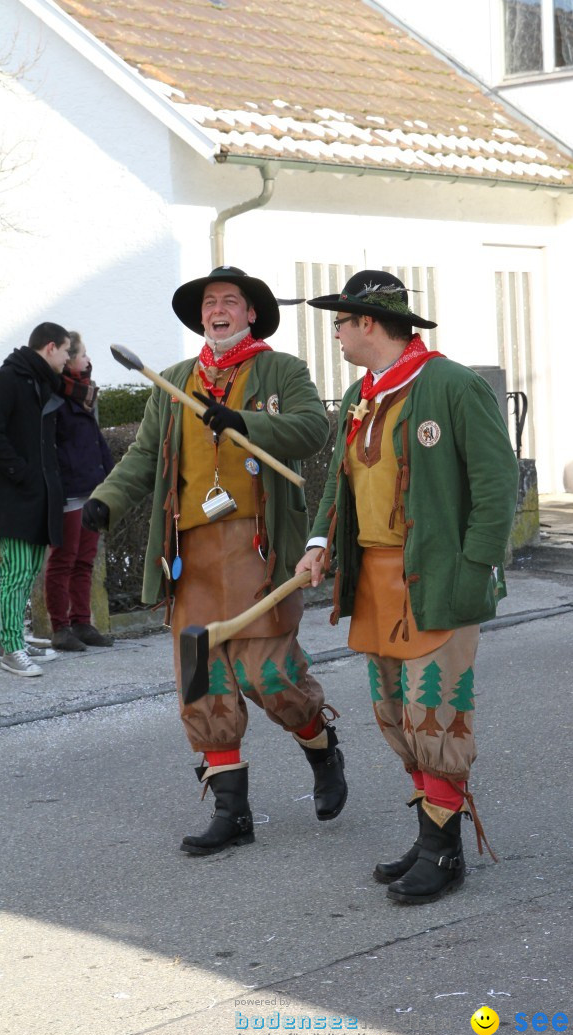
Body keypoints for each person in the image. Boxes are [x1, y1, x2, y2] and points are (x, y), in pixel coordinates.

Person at [82, 265, 347, 855]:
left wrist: (245, 422)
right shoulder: (175, 382)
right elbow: (145, 456)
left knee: (270, 678)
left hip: (258, 551)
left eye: (231, 301)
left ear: (251, 313)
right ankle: (232, 811)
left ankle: (322, 748)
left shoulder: (282, 370)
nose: (218, 310)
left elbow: (311, 428)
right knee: (201, 681)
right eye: (210, 303)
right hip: (193, 557)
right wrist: (106, 501)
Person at [295, 271, 519, 904]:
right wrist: (318, 545)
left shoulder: (450, 384)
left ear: (368, 323)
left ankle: (445, 853)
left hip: (436, 577)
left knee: (437, 711)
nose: (335, 333)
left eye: (340, 322)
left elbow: (498, 483)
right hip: (374, 580)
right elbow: (340, 484)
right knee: (394, 712)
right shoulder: (358, 394)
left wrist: (473, 568)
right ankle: (429, 839)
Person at [0, 322, 70, 676]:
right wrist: (20, 472)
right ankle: (10, 649)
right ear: (50, 347)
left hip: (37, 495)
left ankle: (15, 636)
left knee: (29, 570)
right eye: (66, 351)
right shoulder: (6, 380)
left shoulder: (39, 382)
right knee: (16, 573)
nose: (68, 358)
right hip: (15, 497)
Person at [44, 332, 114, 651]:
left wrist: (110, 478)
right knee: (63, 560)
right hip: (68, 493)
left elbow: (95, 440)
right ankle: (60, 628)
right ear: (68, 359)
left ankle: (82, 623)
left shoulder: (86, 394)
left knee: (84, 560)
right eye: (83, 355)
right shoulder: (54, 397)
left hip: (92, 489)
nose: (88, 360)